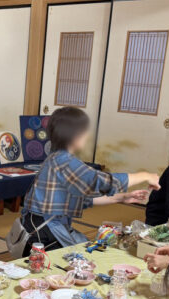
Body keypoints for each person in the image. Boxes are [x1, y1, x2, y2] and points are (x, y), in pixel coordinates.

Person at [20, 107, 160, 252]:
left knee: (91, 250)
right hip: (44, 233)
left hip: (43, 227)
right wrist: (145, 175)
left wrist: (121, 197)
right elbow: (101, 181)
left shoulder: (56, 157)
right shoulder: (64, 161)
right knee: (87, 256)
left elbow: (85, 197)